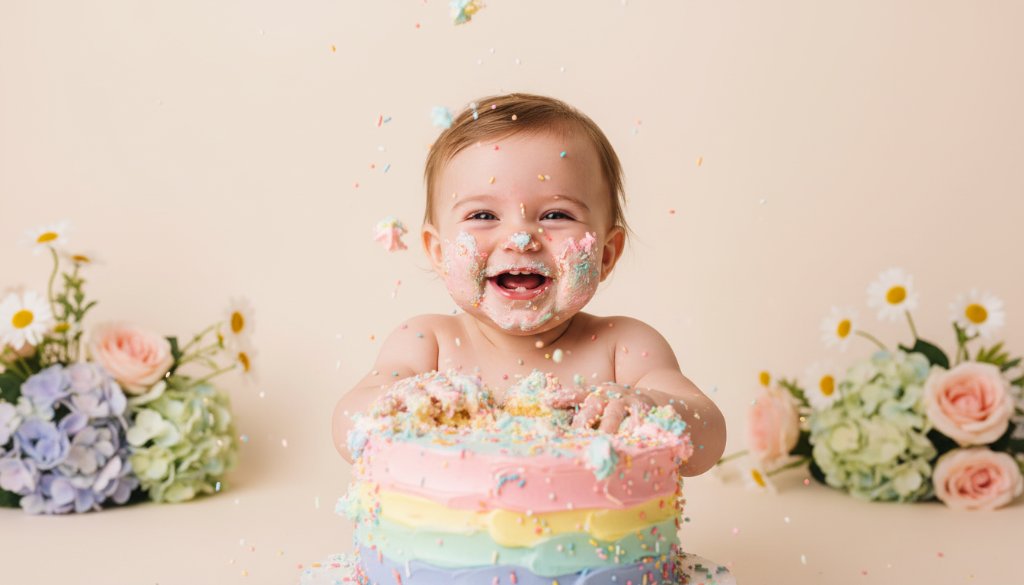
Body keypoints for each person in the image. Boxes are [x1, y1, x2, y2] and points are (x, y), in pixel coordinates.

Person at [333, 93, 725, 476]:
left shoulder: (624, 348)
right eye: (483, 215)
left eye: (556, 214)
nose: (520, 238)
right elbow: (346, 424)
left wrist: (650, 406)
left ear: (606, 254)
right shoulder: (428, 343)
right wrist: (391, 403)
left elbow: (709, 435)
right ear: (438, 252)